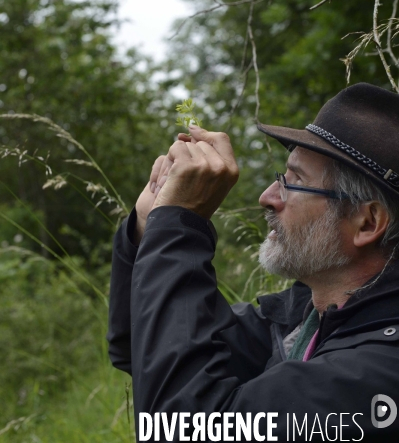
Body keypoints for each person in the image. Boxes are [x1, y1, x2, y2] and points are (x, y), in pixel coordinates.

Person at [107, 83, 399, 442]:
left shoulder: (376, 373)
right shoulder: (302, 322)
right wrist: (148, 226)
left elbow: (182, 430)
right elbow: (140, 346)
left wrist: (179, 227)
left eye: (294, 183)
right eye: (281, 178)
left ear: (367, 223)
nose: (268, 197)